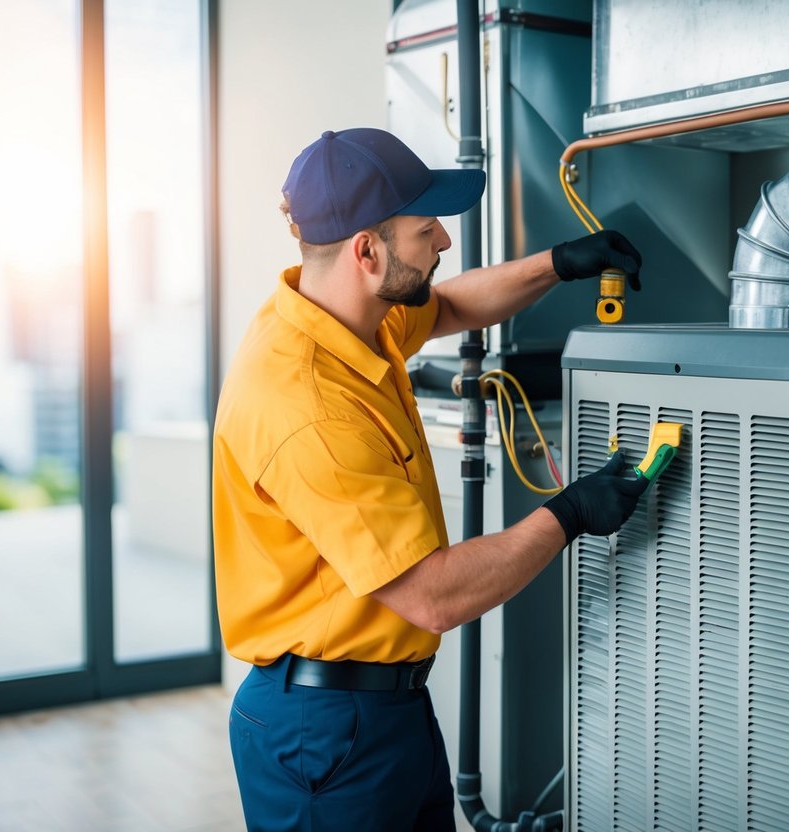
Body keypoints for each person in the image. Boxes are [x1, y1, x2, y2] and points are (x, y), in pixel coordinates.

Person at [212, 127, 649, 831]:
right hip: (323, 734)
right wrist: (570, 513)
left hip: (385, 708)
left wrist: (559, 263)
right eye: (425, 229)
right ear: (367, 250)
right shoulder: (307, 407)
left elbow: (443, 307)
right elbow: (433, 594)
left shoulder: (344, 316)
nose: (443, 241)